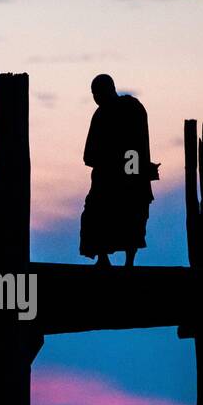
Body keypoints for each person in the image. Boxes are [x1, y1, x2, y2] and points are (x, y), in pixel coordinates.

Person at [79, 74, 158, 266]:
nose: (96, 98)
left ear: (110, 89)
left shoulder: (130, 109)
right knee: (98, 215)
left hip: (126, 175)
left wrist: (131, 170)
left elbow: (137, 145)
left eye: (98, 92)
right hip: (112, 178)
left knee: (131, 215)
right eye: (94, 94)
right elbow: (89, 155)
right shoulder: (104, 114)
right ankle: (104, 258)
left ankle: (125, 261)